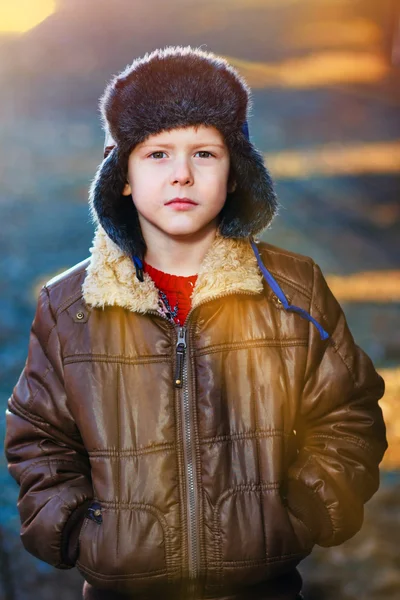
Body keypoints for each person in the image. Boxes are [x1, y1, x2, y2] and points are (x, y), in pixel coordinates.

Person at [4, 45, 388, 600]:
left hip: (263, 588)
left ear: (236, 172)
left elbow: (348, 412)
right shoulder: (70, 306)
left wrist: (304, 508)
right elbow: (38, 436)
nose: (181, 174)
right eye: (157, 154)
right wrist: (79, 527)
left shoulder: (293, 290)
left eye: (204, 154)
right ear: (123, 176)